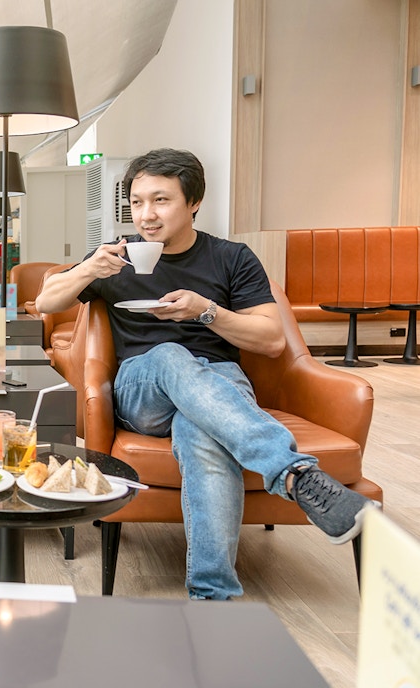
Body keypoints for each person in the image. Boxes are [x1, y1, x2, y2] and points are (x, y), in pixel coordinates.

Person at [36, 148, 377, 600]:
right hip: (142, 387)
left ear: (194, 201)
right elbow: (46, 301)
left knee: (200, 430)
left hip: (219, 384)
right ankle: (293, 472)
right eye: (137, 202)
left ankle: (212, 596)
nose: (146, 215)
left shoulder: (231, 257)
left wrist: (206, 311)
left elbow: (271, 340)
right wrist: (87, 269)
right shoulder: (114, 257)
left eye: (161, 200)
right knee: (170, 355)